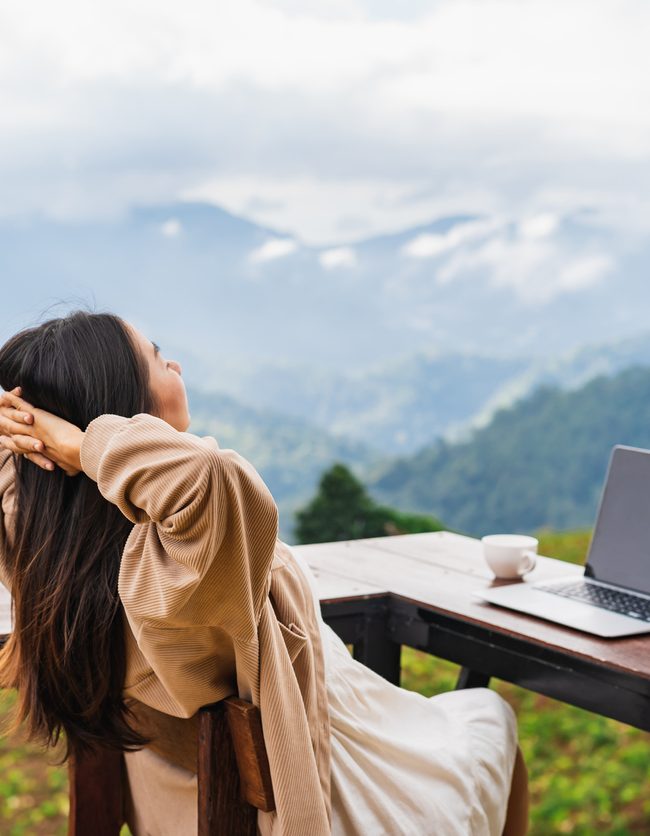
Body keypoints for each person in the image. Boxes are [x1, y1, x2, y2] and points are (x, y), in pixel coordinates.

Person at [0, 310, 529, 835]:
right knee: (487, 718)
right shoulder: (162, 573)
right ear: (119, 413)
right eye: (159, 359)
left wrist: (33, 437)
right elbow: (212, 477)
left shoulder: (46, 559)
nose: (177, 365)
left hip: (183, 800)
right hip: (341, 780)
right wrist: (81, 443)